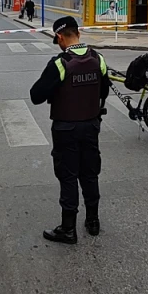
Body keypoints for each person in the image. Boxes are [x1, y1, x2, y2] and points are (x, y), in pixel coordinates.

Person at [29, 16, 109, 244]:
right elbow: (104, 92)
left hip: (66, 128)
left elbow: (36, 96)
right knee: (90, 173)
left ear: (60, 37)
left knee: (68, 176)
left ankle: (68, 228)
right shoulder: (98, 59)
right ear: (79, 34)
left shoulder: (60, 64)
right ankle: (93, 221)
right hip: (91, 126)